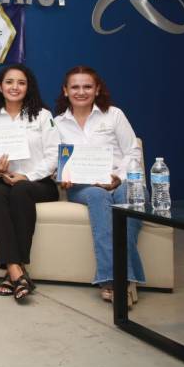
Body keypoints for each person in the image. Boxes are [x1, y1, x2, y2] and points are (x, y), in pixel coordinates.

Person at [54, 65, 145, 307]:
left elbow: (132, 151)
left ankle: (113, 279)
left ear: (97, 90)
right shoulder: (57, 123)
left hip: (121, 181)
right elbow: (55, 161)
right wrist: (62, 176)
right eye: (75, 87)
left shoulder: (113, 115)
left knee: (129, 194)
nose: (81, 91)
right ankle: (118, 280)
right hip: (83, 187)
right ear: (65, 91)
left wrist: (117, 176)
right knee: (98, 196)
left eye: (87, 86)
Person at [0, 64, 60, 302]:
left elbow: (54, 155)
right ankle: (16, 271)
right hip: (5, 181)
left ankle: (12, 272)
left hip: (39, 183)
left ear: (29, 87)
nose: (15, 87)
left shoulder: (43, 116)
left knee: (21, 191)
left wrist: (28, 176)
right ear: (0, 86)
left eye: (21, 83)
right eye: (9, 82)